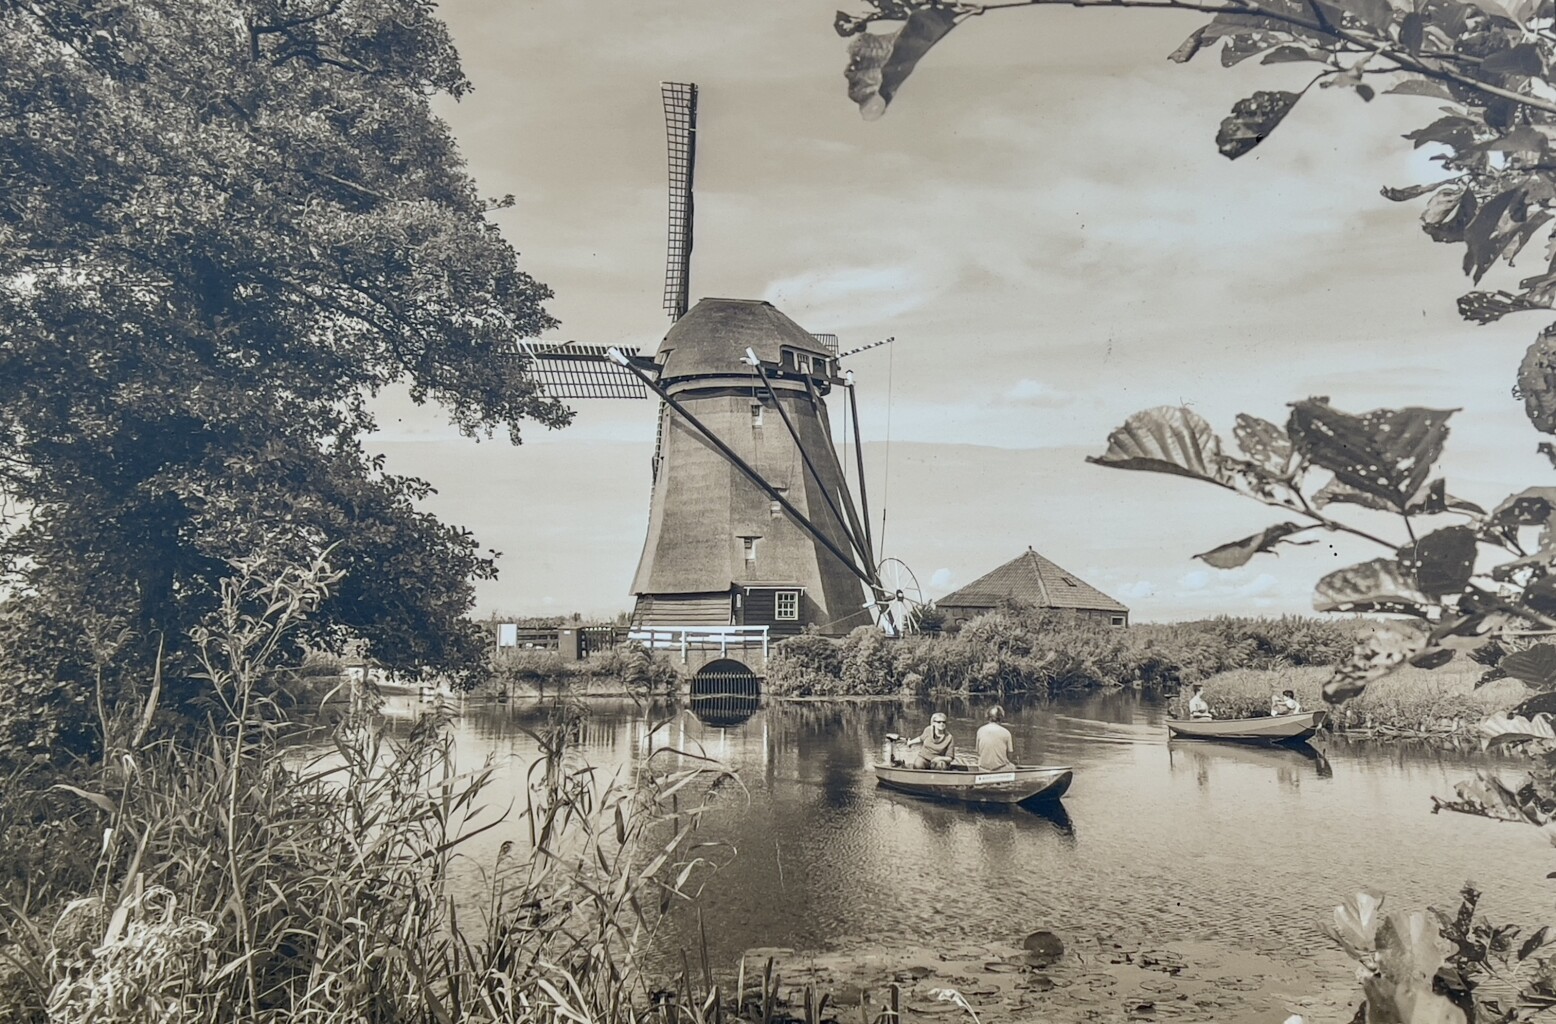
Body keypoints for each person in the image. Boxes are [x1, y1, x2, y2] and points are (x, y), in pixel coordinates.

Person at [976, 705, 1015, 771]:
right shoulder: (1006, 733)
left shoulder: (980, 730)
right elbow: (1010, 755)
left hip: (983, 768)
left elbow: (978, 752)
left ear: (988, 717)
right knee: (1013, 766)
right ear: (1001, 718)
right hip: (1000, 769)